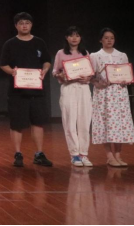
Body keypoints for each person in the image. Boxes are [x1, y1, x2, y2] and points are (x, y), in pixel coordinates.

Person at [0, 12, 53, 168]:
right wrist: (12, 72)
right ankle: (18, 154)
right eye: (21, 23)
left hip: (37, 91)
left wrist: (45, 70)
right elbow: (3, 64)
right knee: (17, 124)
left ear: (31, 25)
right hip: (17, 92)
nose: (24, 25)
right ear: (16, 25)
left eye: (27, 23)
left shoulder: (39, 42)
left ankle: (39, 154)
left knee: (38, 122)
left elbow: (47, 61)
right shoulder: (9, 44)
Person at [90, 28, 134, 167]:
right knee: (105, 123)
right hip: (103, 93)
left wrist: (126, 81)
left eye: (112, 38)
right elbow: (91, 76)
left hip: (119, 93)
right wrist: (98, 83)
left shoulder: (122, 55)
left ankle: (118, 155)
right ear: (100, 40)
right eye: (106, 37)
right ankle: (109, 156)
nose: (109, 40)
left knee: (119, 123)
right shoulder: (95, 56)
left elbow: (127, 74)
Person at [53, 27, 93, 167]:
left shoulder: (85, 53)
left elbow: (90, 72)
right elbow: (55, 71)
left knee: (85, 122)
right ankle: (74, 154)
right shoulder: (61, 53)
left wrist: (88, 78)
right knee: (70, 122)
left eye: (77, 35)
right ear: (66, 38)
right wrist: (60, 75)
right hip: (69, 88)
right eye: (71, 35)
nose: (74, 38)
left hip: (83, 88)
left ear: (80, 38)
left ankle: (84, 154)